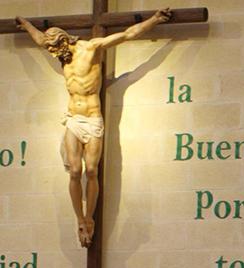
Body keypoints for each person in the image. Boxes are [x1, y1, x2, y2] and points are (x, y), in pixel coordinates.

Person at [15, 9, 172, 247]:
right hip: (73, 119)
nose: (57, 57)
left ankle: (90, 217)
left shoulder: (91, 48)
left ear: (65, 40)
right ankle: (80, 219)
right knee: (75, 171)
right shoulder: (59, 53)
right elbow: (39, 39)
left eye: (57, 50)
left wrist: (155, 20)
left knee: (91, 171)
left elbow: (128, 34)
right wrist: (26, 24)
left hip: (93, 119)